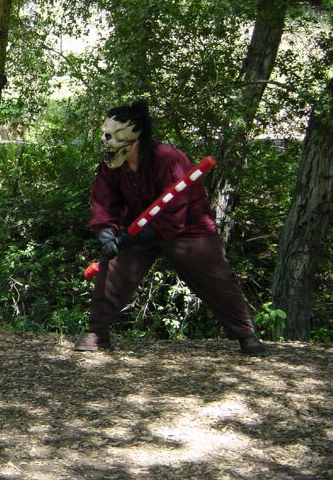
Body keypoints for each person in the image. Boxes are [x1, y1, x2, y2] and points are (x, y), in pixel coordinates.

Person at [74, 99, 267, 356]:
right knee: (113, 267)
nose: (107, 142)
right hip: (136, 226)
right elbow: (103, 200)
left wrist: (142, 233)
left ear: (135, 137)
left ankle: (245, 334)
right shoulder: (110, 166)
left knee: (216, 276)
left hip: (188, 227)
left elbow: (177, 208)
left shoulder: (168, 159)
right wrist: (105, 232)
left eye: (116, 135)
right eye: (105, 135)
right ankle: (98, 332)